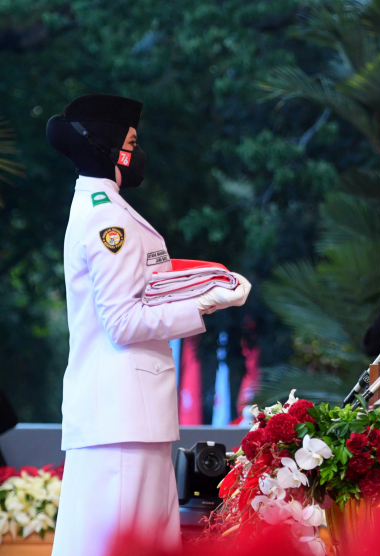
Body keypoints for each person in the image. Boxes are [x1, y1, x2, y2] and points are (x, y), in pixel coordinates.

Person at [47, 94, 252, 555]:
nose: (138, 153)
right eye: (132, 141)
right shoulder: (106, 216)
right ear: (107, 146)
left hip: (125, 414)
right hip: (121, 415)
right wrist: (202, 305)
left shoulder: (102, 206)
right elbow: (121, 322)